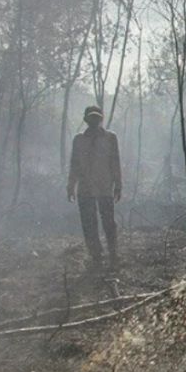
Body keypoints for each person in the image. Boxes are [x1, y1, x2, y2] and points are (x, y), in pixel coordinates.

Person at [67, 105, 122, 267]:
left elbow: (115, 162)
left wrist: (118, 184)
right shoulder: (79, 139)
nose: (94, 121)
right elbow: (74, 164)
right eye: (91, 118)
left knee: (109, 222)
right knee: (88, 223)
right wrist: (70, 185)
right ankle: (96, 255)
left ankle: (113, 252)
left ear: (101, 119)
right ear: (85, 119)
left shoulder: (110, 138)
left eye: (97, 118)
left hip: (105, 187)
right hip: (85, 188)